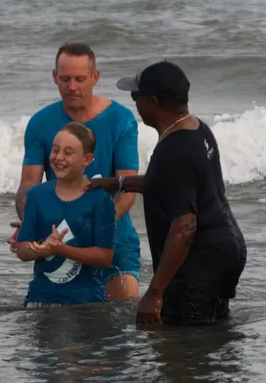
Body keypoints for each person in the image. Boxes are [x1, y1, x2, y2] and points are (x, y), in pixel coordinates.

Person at [89, 60, 247, 326]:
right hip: (227, 248)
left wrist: (154, 292)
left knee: (184, 345)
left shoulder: (174, 151)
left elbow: (185, 227)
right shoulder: (197, 128)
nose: (134, 104)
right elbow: (165, 182)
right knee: (212, 338)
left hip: (201, 258)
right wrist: (114, 183)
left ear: (152, 102)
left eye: (136, 96)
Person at [10, 42, 141, 301]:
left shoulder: (120, 119)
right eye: (65, 79)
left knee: (120, 320)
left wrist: (93, 227)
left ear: (95, 77)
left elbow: (128, 189)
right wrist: (30, 226)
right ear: (54, 77)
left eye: (80, 79)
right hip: (60, 239)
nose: (72, 87)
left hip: (114, 235)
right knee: (58, 326)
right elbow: (28, 187)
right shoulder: (40, 122)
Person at [16, 122, 116, 305]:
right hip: (40, 301)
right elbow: (22, 250)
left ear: (87, 159)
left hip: (86, 303)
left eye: (68, 152)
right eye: (55, 150)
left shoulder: (100, 200)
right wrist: (42, 248)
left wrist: (62, 249)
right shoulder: (37, 195)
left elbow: (105, 257)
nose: (59, 157)